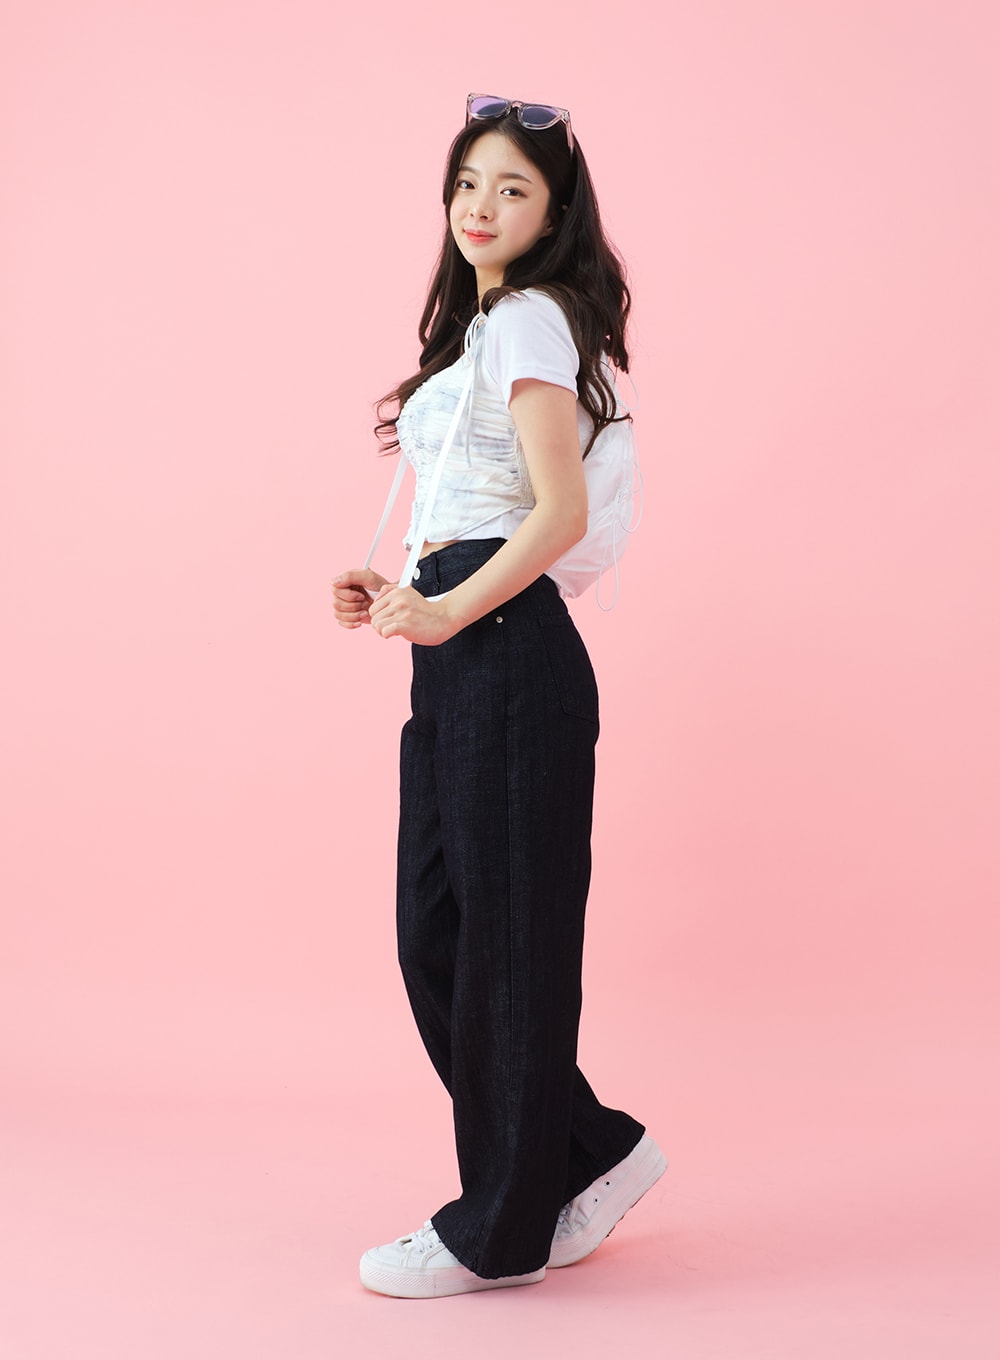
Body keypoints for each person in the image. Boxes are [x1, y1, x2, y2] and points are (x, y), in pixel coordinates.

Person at [332, 93, 665, 1300]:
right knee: (444, 935)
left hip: (506, 647)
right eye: (469, 182)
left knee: (505, 948)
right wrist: (404, 589)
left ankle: (501, 1227)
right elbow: (482, 502)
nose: (481, 206)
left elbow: (558, 512)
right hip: (465, 640)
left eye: (513, 188)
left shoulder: (528, 317)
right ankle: (589, 1149)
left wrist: (448, 606)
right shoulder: (486, 329)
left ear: (552, 211)